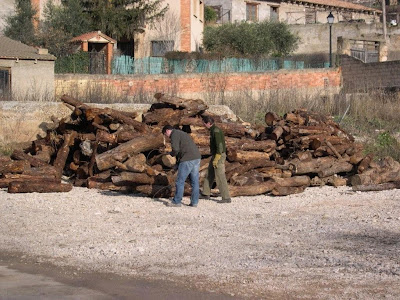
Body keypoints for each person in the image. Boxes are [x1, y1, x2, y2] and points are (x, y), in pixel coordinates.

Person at [162, 125, 201, 207]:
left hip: (187, 158)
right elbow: (181, 150)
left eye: (166, 135)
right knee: (194, 181)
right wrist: (178, 163)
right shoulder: (181, 133)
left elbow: (176, 149)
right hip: (196, 157)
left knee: (180, 181)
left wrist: (171, 154)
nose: (167, 137)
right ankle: (194, 202)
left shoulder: (174, 134)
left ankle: (177, 201)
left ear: (167, 131)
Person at [201, 116, 231, 203]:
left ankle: (226, 197)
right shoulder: (212, 130)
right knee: (210, 173)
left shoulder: (216, 131)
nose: (203, 125)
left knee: (220, 176)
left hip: (219, 155)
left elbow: (220, 146)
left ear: (208, 123)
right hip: (215, 155)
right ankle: (205, 193)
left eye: (204, 123)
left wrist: (217, 158)